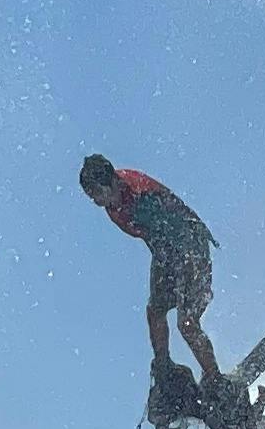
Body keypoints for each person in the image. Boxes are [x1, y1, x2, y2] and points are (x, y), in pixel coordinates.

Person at [80, 153, 228, 389]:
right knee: (155, 311)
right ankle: (164, 368)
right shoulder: (112, 205)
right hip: (166, 253)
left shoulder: (141, 195)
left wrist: (188, 277)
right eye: (91, 196)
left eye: (97, 193)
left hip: (191, 246)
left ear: (112, 182)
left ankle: (217, 381)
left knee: (187, 324)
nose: (96, 201)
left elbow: (180, 230)